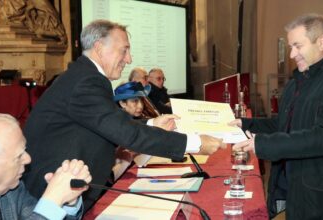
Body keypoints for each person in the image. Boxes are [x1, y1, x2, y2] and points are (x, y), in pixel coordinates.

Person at [22, 19, 225, 210]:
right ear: (100, 47)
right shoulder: (86, 81)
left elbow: (111, 124)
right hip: (52, 194)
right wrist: (195, 143)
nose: (129, 59)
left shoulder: (84, 76)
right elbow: (124, 133)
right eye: (124, 50)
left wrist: (153, 123)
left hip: (69, 190)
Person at [230, 14, 323, 219]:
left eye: (297, 46)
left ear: (321, 42)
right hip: (289, 187)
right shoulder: (297, 82)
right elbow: (283, 124)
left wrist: (263, 144)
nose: (292, 54)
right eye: (290, 47)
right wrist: (245, 123)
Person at [0, 111, 92, 220]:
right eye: (19, 156)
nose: (28, 159)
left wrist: (67, 200)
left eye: (25, 150)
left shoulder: (13, 190)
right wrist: (54, 199)